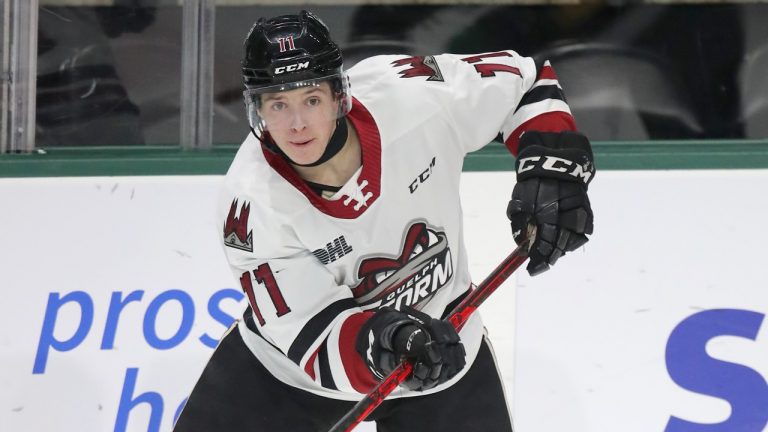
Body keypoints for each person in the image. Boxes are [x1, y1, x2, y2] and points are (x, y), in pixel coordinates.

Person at [174, 10, 594, 432]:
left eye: (311, 100)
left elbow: (524, 83)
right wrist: (388, 342)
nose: (297, 124)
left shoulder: (411, 97)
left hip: (443, 343)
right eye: (278, 104)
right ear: (258, 110)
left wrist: (553, 170)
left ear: (339, 95)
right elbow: (317, 341)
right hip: (290, 376)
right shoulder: (250, 204)